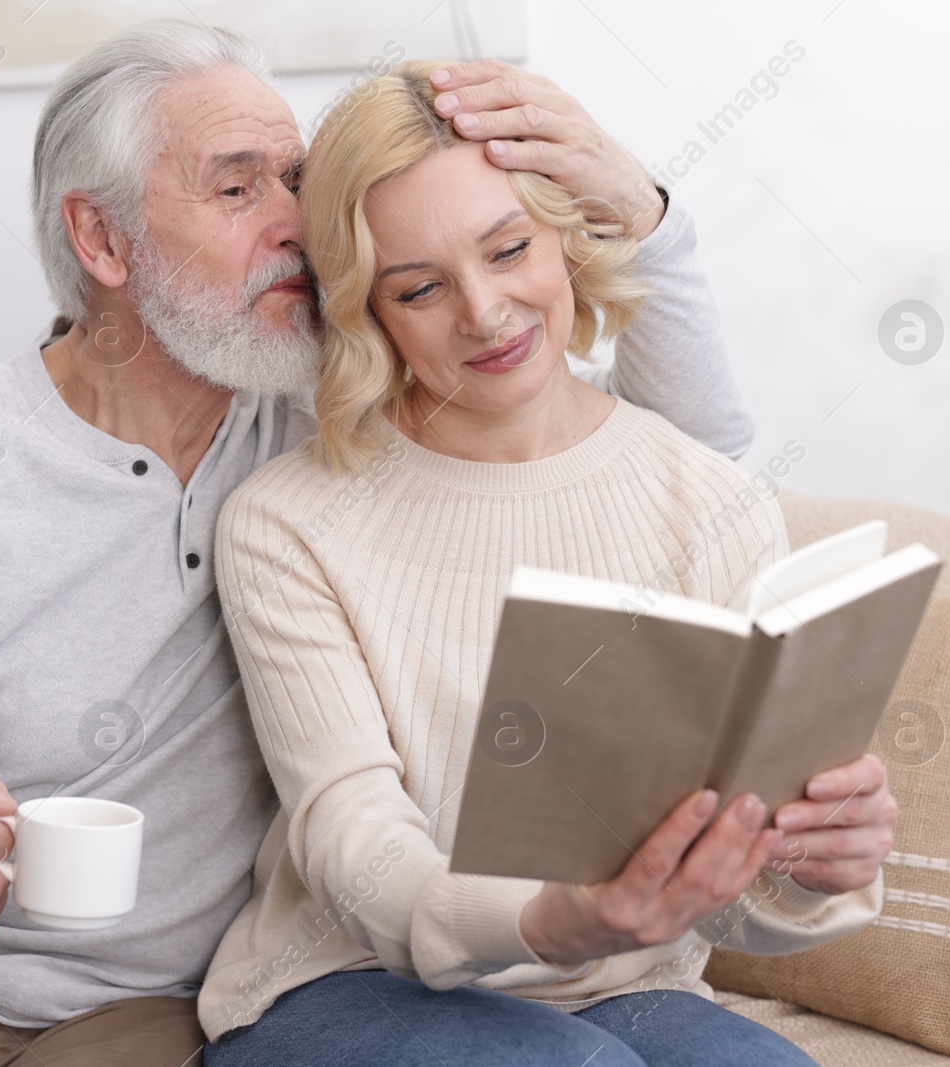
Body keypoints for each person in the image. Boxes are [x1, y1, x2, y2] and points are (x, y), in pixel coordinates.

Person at [0, 21, 759, 1067]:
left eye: (297, 179)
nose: (297, 223)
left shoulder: (335, 418)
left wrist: (642, 212)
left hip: (139, 1008)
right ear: (102, 239)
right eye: (236, 186)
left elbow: (667, 456)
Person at [197, 61, 896, 1067]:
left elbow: (738, 900)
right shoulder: (288, 521)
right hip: (345, 986)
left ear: (566, 240)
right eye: (420, 287)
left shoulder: (709, 494)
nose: (484, 313)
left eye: (509, 247)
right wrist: (558, 917)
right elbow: (355, 845)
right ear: (369, 313)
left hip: (623, 985)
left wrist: (815, 864)